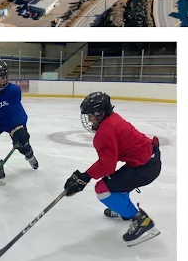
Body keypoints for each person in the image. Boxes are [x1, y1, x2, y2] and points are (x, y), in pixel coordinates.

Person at [63, 92, 161, 246]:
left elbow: (107, 165)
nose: (88, 119)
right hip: (148, 161)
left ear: (100, 114)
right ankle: (123, 209)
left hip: (145, 167)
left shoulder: (105, 132)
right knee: (117, 181)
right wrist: (86, 175)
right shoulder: (112, 119)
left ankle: (141, 220)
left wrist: (85, 177)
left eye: (90, 115)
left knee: (102, 189)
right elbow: (109, 165)